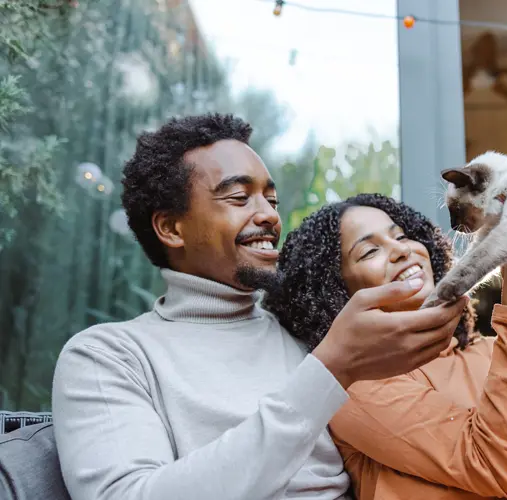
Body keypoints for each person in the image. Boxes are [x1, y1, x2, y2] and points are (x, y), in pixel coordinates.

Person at [51, 114, 469, 500]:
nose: (268, 215)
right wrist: (330, 370)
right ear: (171, 228)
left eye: (271, 200)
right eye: (238, 197)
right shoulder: (109, 356)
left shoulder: (310, 334)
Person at [263, 191, 507, 500]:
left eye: (401, 236)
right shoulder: (355, 387)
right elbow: (499, 467)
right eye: (369, 251)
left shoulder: (496, 349)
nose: (401, 250)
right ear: (335, 293)